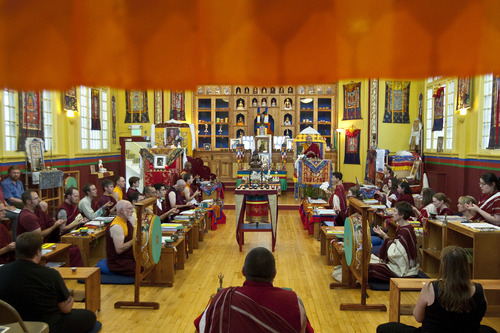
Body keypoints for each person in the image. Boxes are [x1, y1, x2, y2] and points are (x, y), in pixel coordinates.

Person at [377, 246, 495, 333]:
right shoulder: (479, 289)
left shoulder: (431, 288)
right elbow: (480, 314)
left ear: (443, 265)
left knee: (384, 329)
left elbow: (418, 317)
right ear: (465, 265)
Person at [194, 247, 314, 333]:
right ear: (274, 274)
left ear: (243, 271)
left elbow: (200, 329)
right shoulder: (293, 302)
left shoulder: (222, 299)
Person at [0, 232, 99, 333]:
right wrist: (70, 297)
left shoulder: (2, 271)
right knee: (89, 316)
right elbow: (66, 309)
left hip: (13, 325)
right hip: (48, 325)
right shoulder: (50, 274)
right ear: (38, 252)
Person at [369, 201, 419, 282]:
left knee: (370, 268)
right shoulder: (402, 227)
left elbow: (396, 254)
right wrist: (383, 235)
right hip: (397, 262)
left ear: (402, 215)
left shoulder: (405, 231)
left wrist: (385, 237)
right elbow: (397, 248)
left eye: (395, 211)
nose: (392, 213)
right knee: (369, 257)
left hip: (401, 269)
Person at [106, 200, 136, 277]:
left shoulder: (125, 221)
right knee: (142, 269)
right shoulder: (117, 226)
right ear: (121, 211)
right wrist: (135, 240)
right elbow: (119, 249)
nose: (132, 211)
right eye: (129, 208)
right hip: (119, 262)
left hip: (130, 257)